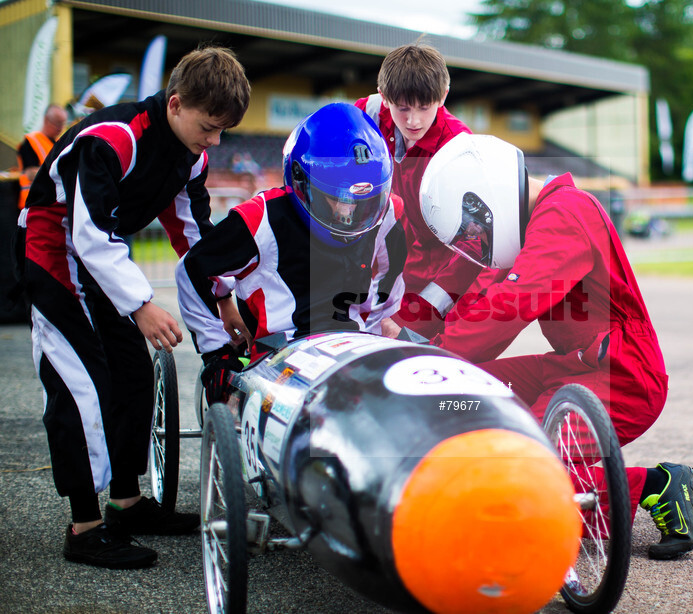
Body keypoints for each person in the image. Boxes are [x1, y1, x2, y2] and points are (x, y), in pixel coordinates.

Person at [17, 45, 251, 569]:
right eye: (209, 126)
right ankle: (85, 529)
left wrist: (224, 299)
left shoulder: (192, 155)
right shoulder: (112, 137)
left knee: (132, 377)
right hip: (53, 250)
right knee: (83, 383)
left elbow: (194, 236)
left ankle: (125, 504)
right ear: (175, 104)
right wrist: (144, 304)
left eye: (223, 132)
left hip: (99, 258)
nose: (213, 141)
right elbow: (87, 231)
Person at [419, 133, 693, 560]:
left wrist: (435, 358)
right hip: (576, 369)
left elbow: (511, 305)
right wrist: (429, 356)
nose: (476, 242)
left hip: (623, 375)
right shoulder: (538, 223)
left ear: (485, 198)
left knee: (526, 474)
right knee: (464, 389)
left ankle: (657, 485)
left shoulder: (566, 212)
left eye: (474, 231)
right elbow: (486, 295)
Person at [176, 102, 406, 404]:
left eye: (364, 200)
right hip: (279, 355)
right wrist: (215, 352)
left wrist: (377, 323)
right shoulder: (261, 218)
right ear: (302, 183)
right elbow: (192, 270)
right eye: (337, 199)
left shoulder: (387, 212)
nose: (350, 212)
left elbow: (392, 274)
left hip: (352, 345)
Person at [355, 41, 480, 338]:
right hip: (394, 261)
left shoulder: (460, 150)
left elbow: (474, 248)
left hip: (447, 269)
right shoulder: (368, 113)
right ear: (384, 98)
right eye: (403, 108)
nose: (413, 121)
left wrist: (418, 315)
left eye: (425, 108)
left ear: (443, 96)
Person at [15, 104, 68, 210]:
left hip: (50, 203)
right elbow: (30, 173)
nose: (60, 128)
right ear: (46, 120)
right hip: (33, 204)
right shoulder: (31, 141)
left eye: (62, 124)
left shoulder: (58, 143)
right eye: (57, 123)